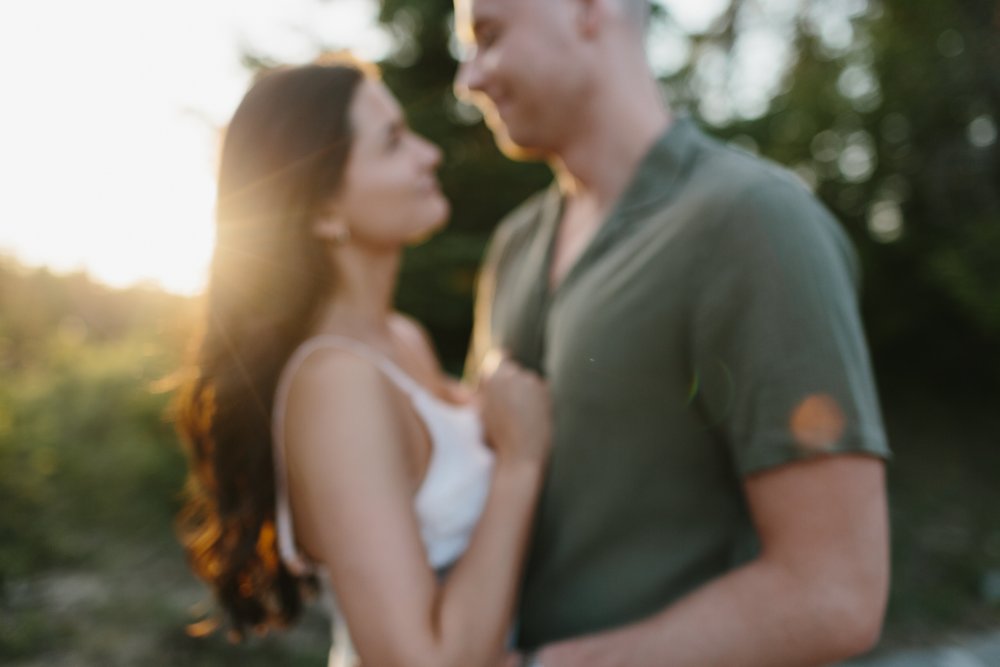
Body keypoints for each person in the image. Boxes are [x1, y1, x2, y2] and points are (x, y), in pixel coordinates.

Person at [454, 0, 892, 665]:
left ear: (589, 9)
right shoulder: (514, 246)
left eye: (489, 35)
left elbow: (834, 591)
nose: (470, 77)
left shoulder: (754, 222)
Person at [173, 54, 551, 667]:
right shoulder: (334, 385)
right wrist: (520, 465)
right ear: (323, 211)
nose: (429, 155)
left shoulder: (403, 339)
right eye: (394, 143)